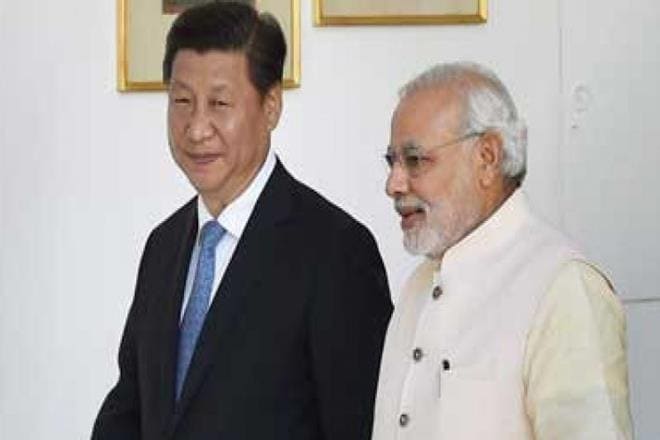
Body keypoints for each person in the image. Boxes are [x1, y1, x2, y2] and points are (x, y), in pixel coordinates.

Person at [92, 2, 392, 439]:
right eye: (182, 101)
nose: (197, 128)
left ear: (271, 106)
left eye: (219, 103)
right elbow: (129, 409)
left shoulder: (337, 252)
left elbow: (360, 427)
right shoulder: (164, 245)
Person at [372, 62, 633, 439]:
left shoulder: (564, 287)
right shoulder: (420, 284)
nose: (393, 184)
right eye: (392, 162)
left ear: (487, 157)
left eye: (415, 160)